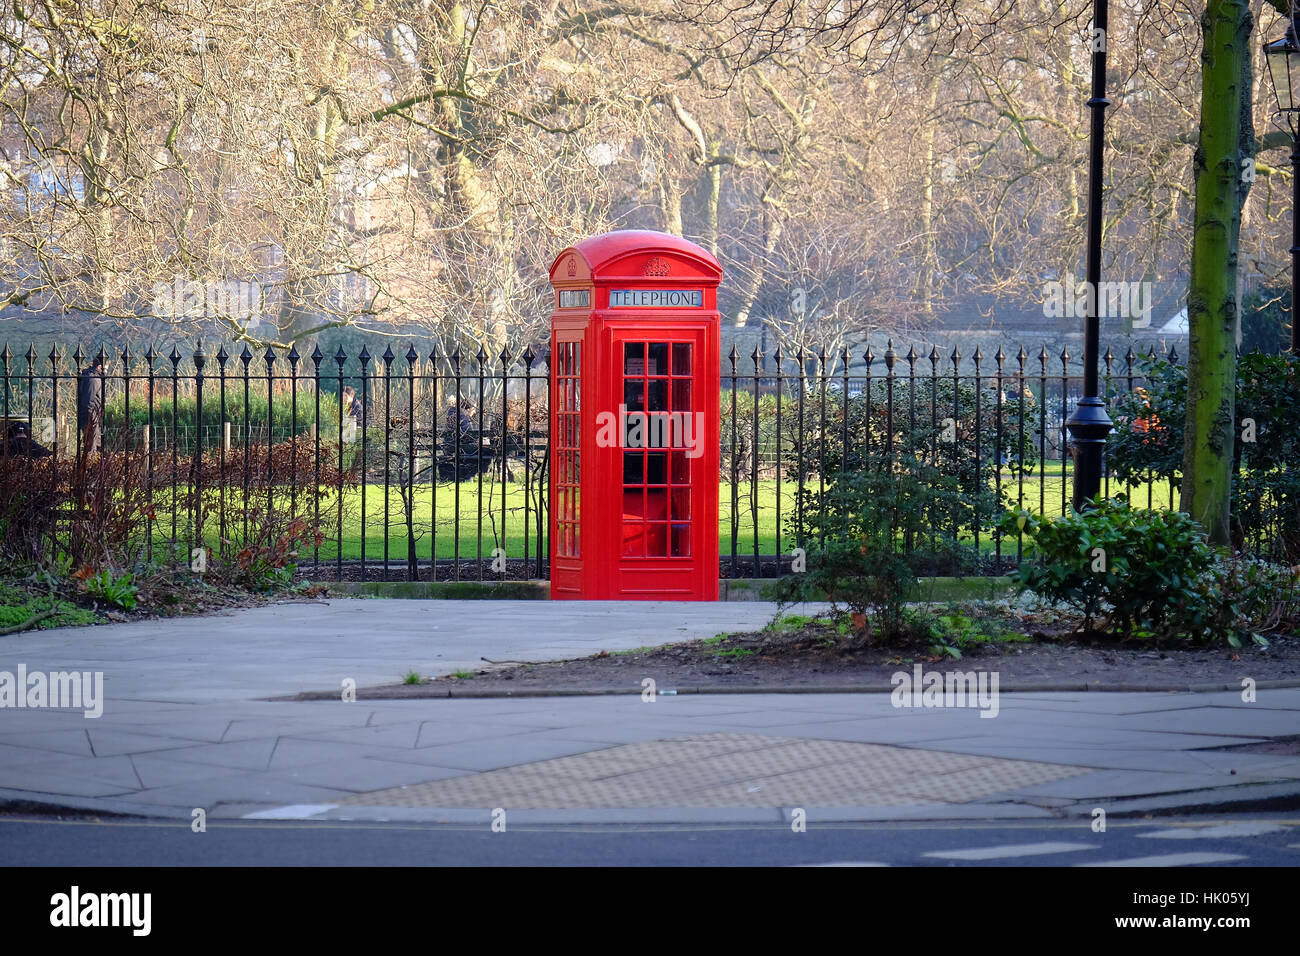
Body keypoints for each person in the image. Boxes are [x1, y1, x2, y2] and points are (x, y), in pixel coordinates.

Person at [76, 355, 106, 458]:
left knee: (95, 447)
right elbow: (88, 401)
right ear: (100, 366)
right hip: (91, 418)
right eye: (106, 366)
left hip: (93, 418)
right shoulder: (93, 379)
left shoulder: (91, 377)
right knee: (91, 449)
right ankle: (91, 470)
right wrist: (92, 420)